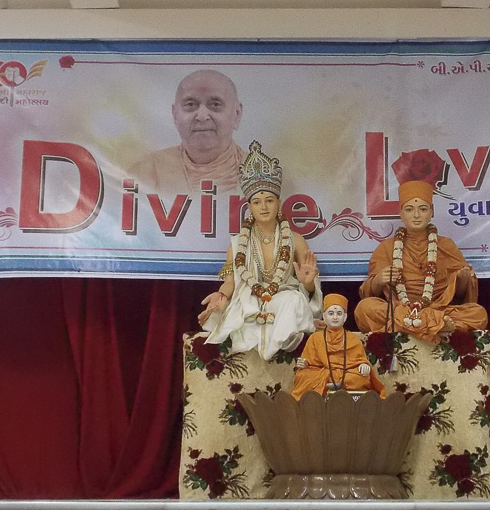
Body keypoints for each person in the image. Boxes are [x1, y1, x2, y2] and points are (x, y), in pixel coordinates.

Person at [198, 140, 322, 360]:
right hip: (250, 300)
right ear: (250, 207)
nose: (263, 207)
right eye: (257, 202)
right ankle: (270, 339)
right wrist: (221, 296)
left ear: (278, 203)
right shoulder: (238, 243)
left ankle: (281, 340)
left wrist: (308, 284)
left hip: (282, 297)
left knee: (294, 300)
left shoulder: (295, 240)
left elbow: (310, 287)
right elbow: (231, 282)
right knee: (243, 309)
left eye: (269, 200)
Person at [354, 180, 487, 343]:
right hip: (401, 309)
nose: (416, 215)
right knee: (364, 309)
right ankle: (434, 326)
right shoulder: (386, 248)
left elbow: (459, 295)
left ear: (431, 212)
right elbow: (368, 293)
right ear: (401, 213)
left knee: (478, 313)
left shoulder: (446, 245)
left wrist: (463, 279)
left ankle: (415, 324)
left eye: (423, 209)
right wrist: (378, 280)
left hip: (437, 308)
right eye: (409, 209)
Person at [128, 69, 245, 193]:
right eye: (190, 105)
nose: (202, 116)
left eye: (215, 104)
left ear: (237, 114)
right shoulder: (147, 171)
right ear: (175, 115)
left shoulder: (257, 172)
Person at [291, 294, 385, 400]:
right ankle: (328, 388)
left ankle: (329, 387)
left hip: (346, 374)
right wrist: (304, 363)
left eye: (339, 313)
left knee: (360, 378)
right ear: (324, 317)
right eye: (331, 313)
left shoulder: (352, 338)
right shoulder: (315, 337)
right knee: (303, 376)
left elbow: (360, 360)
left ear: (345, 317)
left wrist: (364, 365)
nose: (335, 317)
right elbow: (308, 362)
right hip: (322, 373)